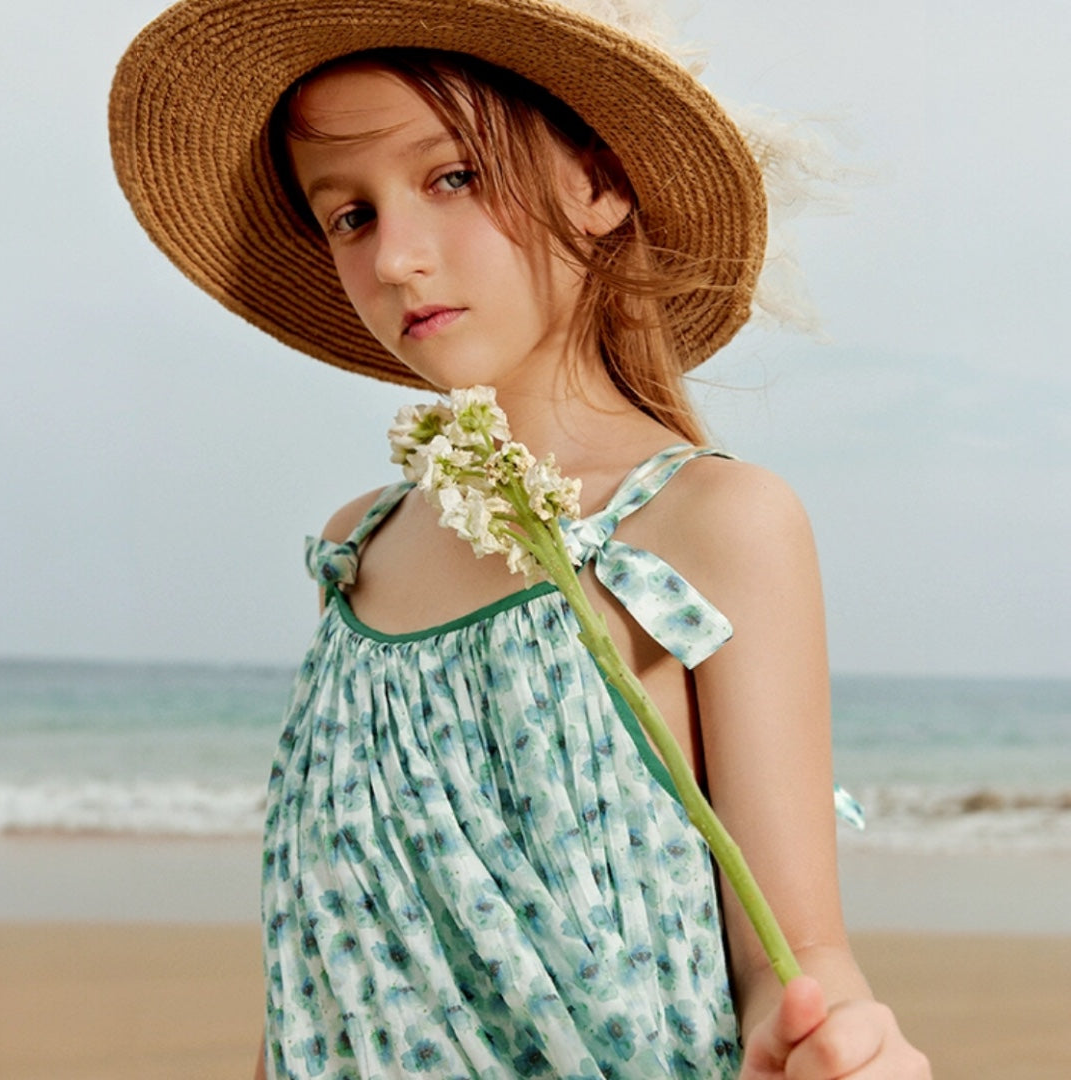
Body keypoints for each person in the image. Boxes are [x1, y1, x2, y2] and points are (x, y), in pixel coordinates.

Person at [110, 2, 931, 1077]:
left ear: (596, 184)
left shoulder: (712, 525)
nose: (397, 256)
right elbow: (324, 974)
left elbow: (797, 957)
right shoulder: (356, 547)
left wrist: (836, 1042)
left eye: (451, 178)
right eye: (349, 215)